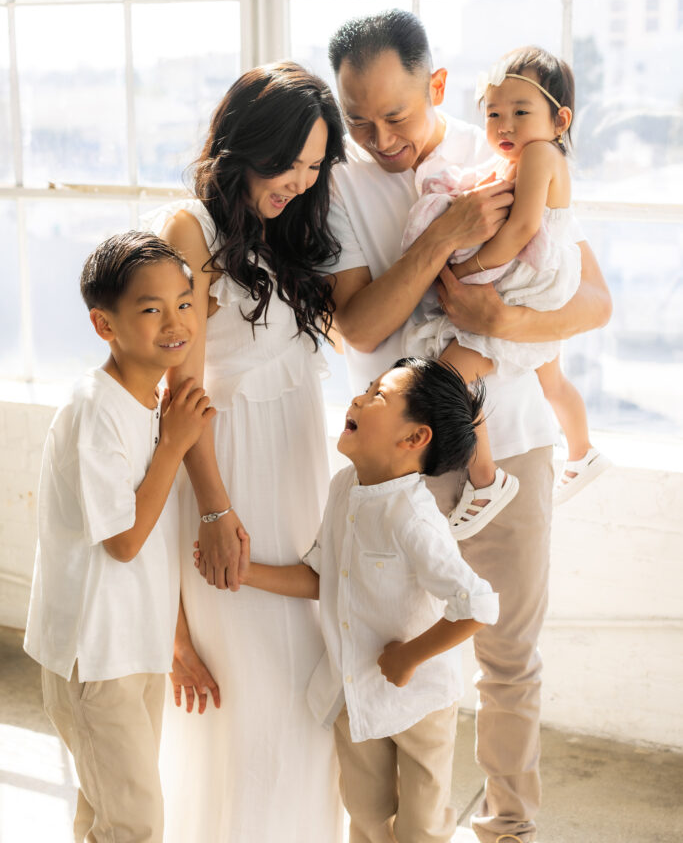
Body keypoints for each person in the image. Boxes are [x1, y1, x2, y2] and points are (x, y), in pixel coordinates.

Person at [325, 10, 612, 843]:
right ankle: (401, 830)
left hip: (510, 445)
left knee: (507, 654)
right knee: (396, 651)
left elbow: (591, 302)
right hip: (395, 464)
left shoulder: (509, 144)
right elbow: (362, 325)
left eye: (397, 116)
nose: (379, 138)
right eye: (357, 118)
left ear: (438, 88)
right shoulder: (335, 182)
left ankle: (508, 824)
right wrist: (446, 236)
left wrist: (495, 319)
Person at [151, 62, 345, 841]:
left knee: (304, 696)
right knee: (248, 705)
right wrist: (215, 510)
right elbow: (182, 393)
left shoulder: (284, 231)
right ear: (246, 144)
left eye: (313, 167)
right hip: (230, 481)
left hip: (298, 480)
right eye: (288, 161)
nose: (299, 181)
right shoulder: (188, 228)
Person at [235, 357, 500, 843]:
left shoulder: (414, 519)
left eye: (379, 395)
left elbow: (478, 606)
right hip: (355, 692)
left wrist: (409, 655)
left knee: (422, 827)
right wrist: (244, 573)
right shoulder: (344, 489)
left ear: (415, 438)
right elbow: (321, 576)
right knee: (367, 815)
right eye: (369, 387)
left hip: (419, 700)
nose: (359, 396)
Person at [23, 232, 217, 843]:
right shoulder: (94, 408)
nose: (174, 321)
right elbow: (124, 541)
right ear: (104, 324)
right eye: (150, 308)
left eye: (184, 303)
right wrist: (174, 445)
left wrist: (175, 640)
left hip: (133, 646)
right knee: (134, 822)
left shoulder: (148, 401)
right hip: (94, 654)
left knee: (107, 810)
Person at [401, 45, 610, 519]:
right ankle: (582, 451)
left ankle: (485, 481)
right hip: (541, 278)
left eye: (520, 111)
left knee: (449, 376)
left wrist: (466, 272)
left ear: (560, 121)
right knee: (551, 379)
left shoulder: (538, 154)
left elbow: (519, 231)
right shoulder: (531, 155)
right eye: (494, 113)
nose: (505, 125)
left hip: (529, 284)